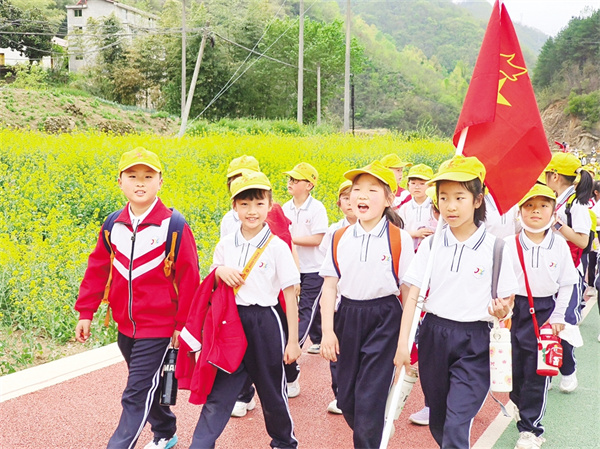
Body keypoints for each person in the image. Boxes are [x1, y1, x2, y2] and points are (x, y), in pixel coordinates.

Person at [74, 147, 201, 449]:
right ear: (120, 182)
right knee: (146, 386)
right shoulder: (112, 225)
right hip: (125, 327)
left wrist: (182, 326)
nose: (140, 182)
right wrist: (86, 312)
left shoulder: (174, 226)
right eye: (132, 176)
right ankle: (166, 431)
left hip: (159, 329)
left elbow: (189, 279)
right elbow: (97, 270)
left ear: (160, 182)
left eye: (148, 176)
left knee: (135, 394)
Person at [397, 155, 519, 449]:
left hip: (475, 340)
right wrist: (403, 345)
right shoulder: (431, 245)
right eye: (443, 198)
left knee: (457, 421)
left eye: (459, 197)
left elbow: (508, 301)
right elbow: (413, 294)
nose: (450, 206)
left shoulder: (496, 248)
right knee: (439, 419)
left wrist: (503, 309)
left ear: (478, 200)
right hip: (433, 336)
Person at [184, 171, 302, 449]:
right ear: (234, 207)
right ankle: (200, 445)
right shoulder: (226, 244)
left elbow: (290, 293)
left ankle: (284, 443)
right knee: (219, 392)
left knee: (272, 392)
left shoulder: (277, 247)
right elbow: (214, 279)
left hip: (266, 322)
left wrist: (293, 341)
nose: (252, 211)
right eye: (245, 204)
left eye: (259, 203)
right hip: (231, 323)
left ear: (270, 205)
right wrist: (219, 271)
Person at [319, 160, 414, 448]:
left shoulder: (399, 239)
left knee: (370, 398)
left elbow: (408, 292)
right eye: (357, 189)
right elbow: (329, 286)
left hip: (385, 318)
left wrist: (405, 341)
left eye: (373, 190)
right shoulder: (338, 237)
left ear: (388, 199)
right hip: (347, 316)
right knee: (346, 398)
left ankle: (371, 432)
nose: (362, 196)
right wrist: (327, 332)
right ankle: (376, 427)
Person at [219, 156, 301, 417]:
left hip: (268, 302)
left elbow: (286, 243)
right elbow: (220, 261)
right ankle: (244, 395)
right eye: (235, 178)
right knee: (236, 360)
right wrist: (220, 270)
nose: (240, 181)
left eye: (245, 175)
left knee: (271, 368)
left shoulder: (271, 217)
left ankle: (289, 376)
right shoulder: (228, 222)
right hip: (237, 306)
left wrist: (296, 275)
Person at [504, 184, 578, 449]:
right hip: (514, 312)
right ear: (519, 211)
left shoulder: (559, 245)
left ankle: (530, 430)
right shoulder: (508, 244)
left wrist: (558, 315)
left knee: (538, 373)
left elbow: (567, 283)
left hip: (545, 313)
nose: (536, 211)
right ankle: (519, 403)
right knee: (513, 371)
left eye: (543, 206)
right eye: (529, 205)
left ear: (553, 213)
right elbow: (498, 281)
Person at [544, 151, 594, 393]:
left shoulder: (577, 204)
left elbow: (583, 241)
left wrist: (557, 225)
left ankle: (568, 372)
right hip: (546, 270)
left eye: (546, 173)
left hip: (568, 273)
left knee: (563, 324)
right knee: (544, 323)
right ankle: (546, 370)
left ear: (555, 175)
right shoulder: (556, 199)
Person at [319, 179, 357, 415]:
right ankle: (340, 394)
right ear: (339, 203)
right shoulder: (334, 232)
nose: (350, 202)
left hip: (360, 301)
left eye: (353, 196)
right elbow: (327, 267)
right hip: (338, 301)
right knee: (337, 350)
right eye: (345, 197)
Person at [282, 162, 329, 353]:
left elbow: (318, 239)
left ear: (309, 185)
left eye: (295, 180)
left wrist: (289, 240)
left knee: (306, 306)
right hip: (293, 267)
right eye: (290, 179)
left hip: (313, 268)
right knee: (302, 305)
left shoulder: (317, 208)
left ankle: (295, 347)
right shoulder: (285, 208)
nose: (290, 182)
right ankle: (318, 338)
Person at [220, 155, 260, 238]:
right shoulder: (228, 219)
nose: (242, 184)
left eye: (247, 179)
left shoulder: (269, 214)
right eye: (237, 180)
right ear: (229, 185)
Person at [398, 163, 436, 250]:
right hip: (410, 249)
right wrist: (416, 234)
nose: (417, 187)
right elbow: (399, 232)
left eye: (422, 183)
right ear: (408, 185)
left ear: (430, 185)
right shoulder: (405, 208)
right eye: (413, 183)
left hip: (431, 250)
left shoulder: (435, 206)